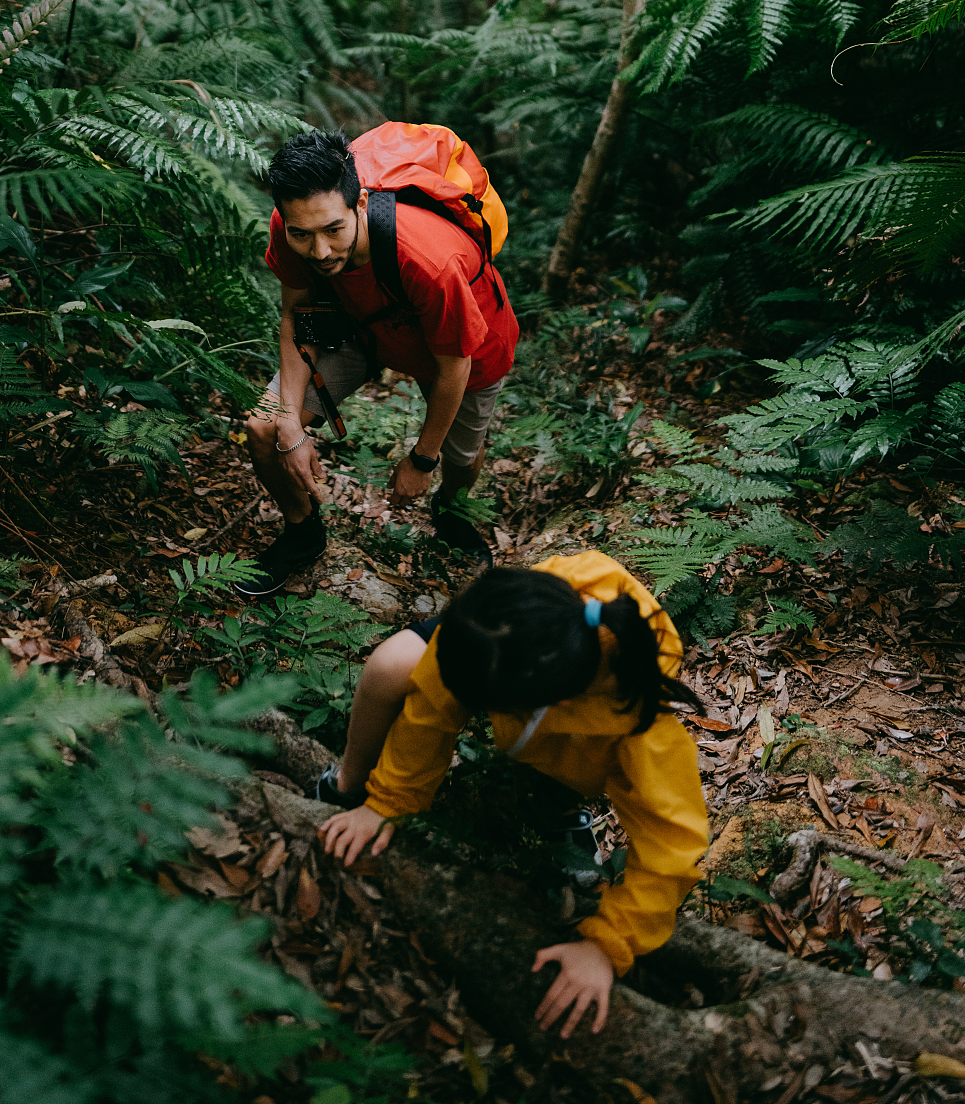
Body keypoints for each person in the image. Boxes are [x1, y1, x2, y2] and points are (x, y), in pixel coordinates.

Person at [315, 551, 708, 1042]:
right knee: (394, 665)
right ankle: (346, 781)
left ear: (551, 704)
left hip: (574, 713)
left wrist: (608, 946)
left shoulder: (639, 725)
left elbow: (674, 841)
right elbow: (431, 710)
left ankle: (562, 810)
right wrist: (386, 804)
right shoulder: (498, 626)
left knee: (567, 763)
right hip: (514, 658)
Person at [243, 129, 520, 596]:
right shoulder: (292, 226)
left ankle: (451, 509)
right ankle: (302, 533)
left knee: (461, 458)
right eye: (302, 235)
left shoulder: (431, 261)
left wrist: (421, 459)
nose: (320, 251)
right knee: (263, 429)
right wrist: (290, 423)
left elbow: (455, 367)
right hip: (358, 324)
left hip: (458, 347)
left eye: (334, 230)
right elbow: (297, 314)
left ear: (361, 204)